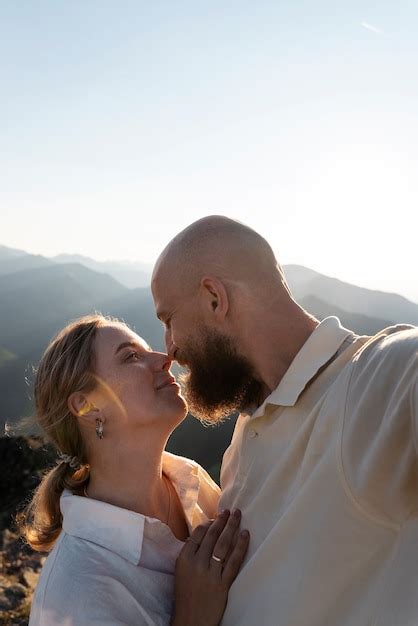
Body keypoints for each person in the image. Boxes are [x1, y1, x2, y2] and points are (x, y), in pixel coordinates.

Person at [152, 215, 418, 626]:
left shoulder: (376, 379)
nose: (169, 349)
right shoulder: (245, 437)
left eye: (168, 320)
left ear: (213, 299)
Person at [23, 313, 249, 626]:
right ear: (88, 407)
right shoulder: (74, 595)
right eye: (132, 357)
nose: (165, 358)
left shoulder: (190, 480)